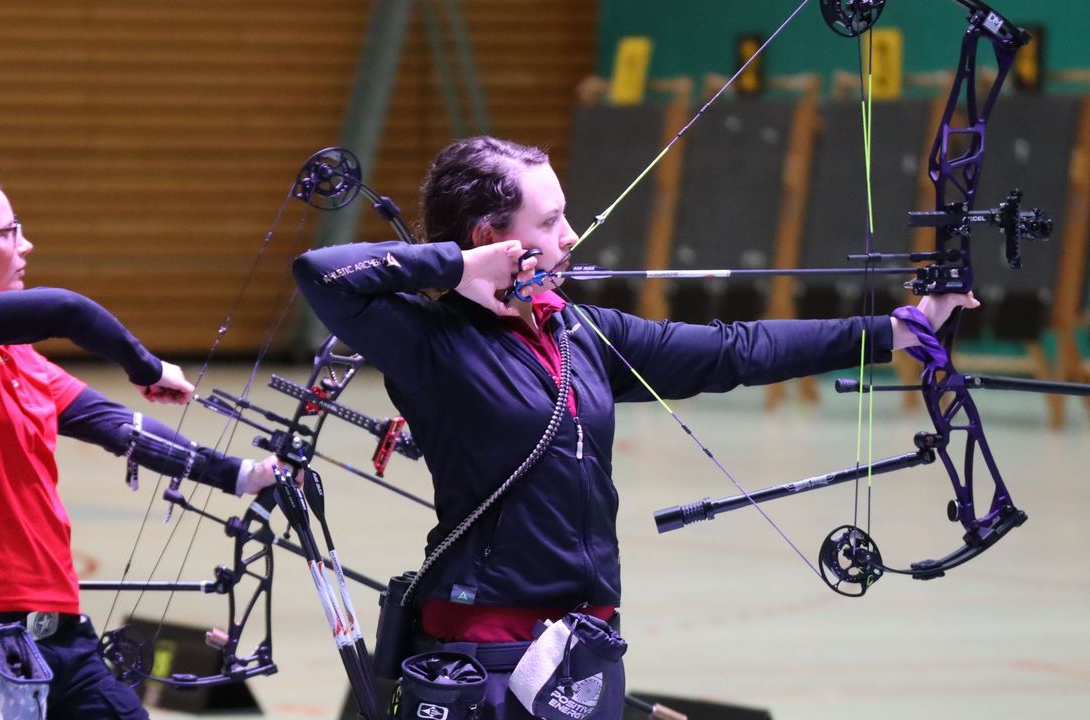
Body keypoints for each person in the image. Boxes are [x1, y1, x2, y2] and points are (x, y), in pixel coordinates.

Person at [292, 136, 976, 719]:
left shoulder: (581, 333)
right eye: (551, 221)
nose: (569, 238)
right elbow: (321, 274)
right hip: (484, 653)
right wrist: (457, 266)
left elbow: (735, 348)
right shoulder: (431, 341)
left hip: (584, 648)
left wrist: (893, 330)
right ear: (490, 237)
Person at [0, 168, 287, 719]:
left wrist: (241, 474)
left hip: (57, 633)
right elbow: (67, 310)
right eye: (10, 230)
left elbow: (113, 424)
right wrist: (147, 365)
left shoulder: (10, 353)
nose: (26, 244)